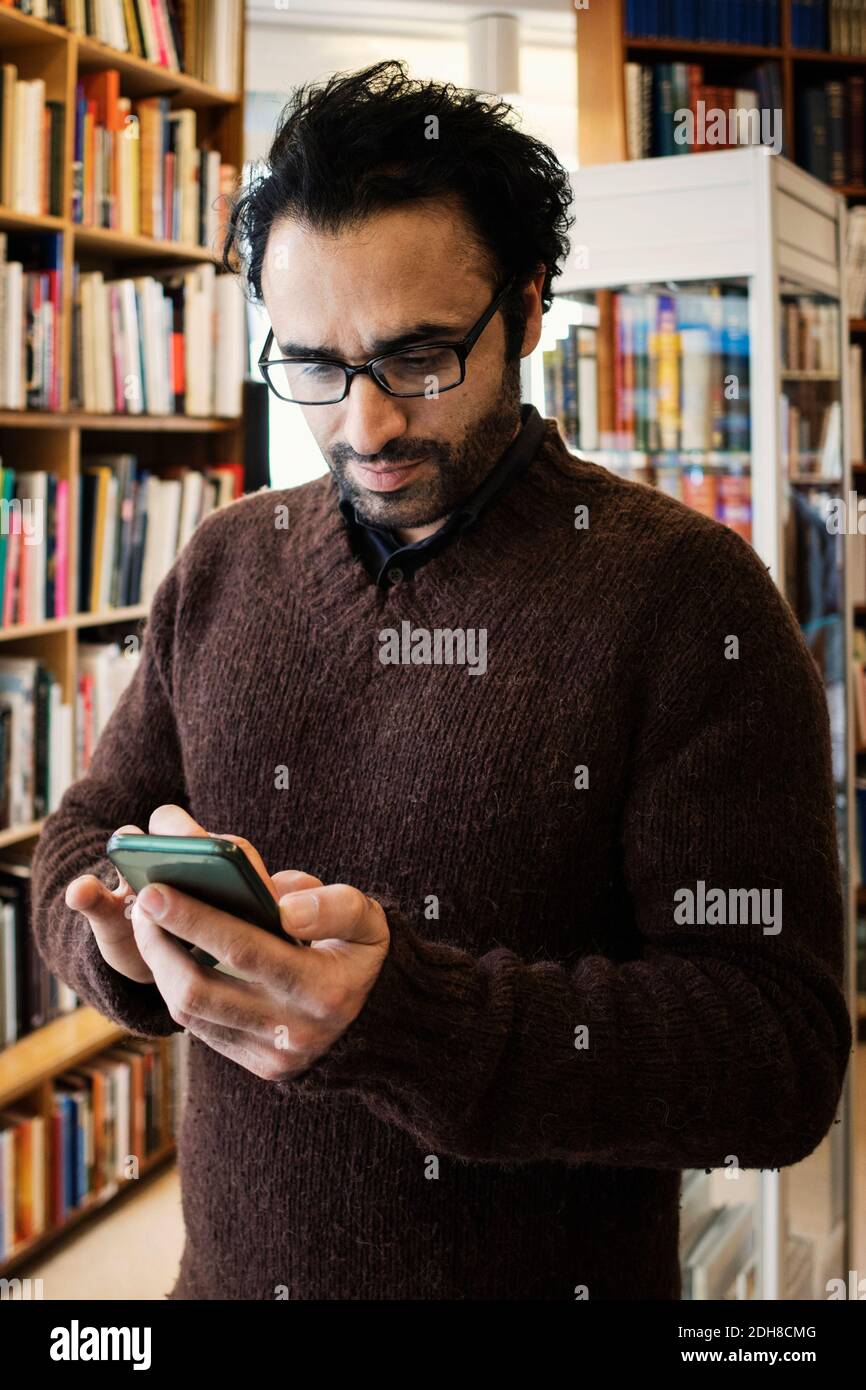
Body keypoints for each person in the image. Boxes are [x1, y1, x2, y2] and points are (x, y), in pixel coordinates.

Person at [31, 60, 852, 1301]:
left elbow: (777, 1060)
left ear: (526, 310)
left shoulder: (689, 601)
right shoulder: (221, 565)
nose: (363, 427)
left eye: (418, 359)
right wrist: (126, 952)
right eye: (311, 367)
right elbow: (75, 841)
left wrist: (407, 1021)